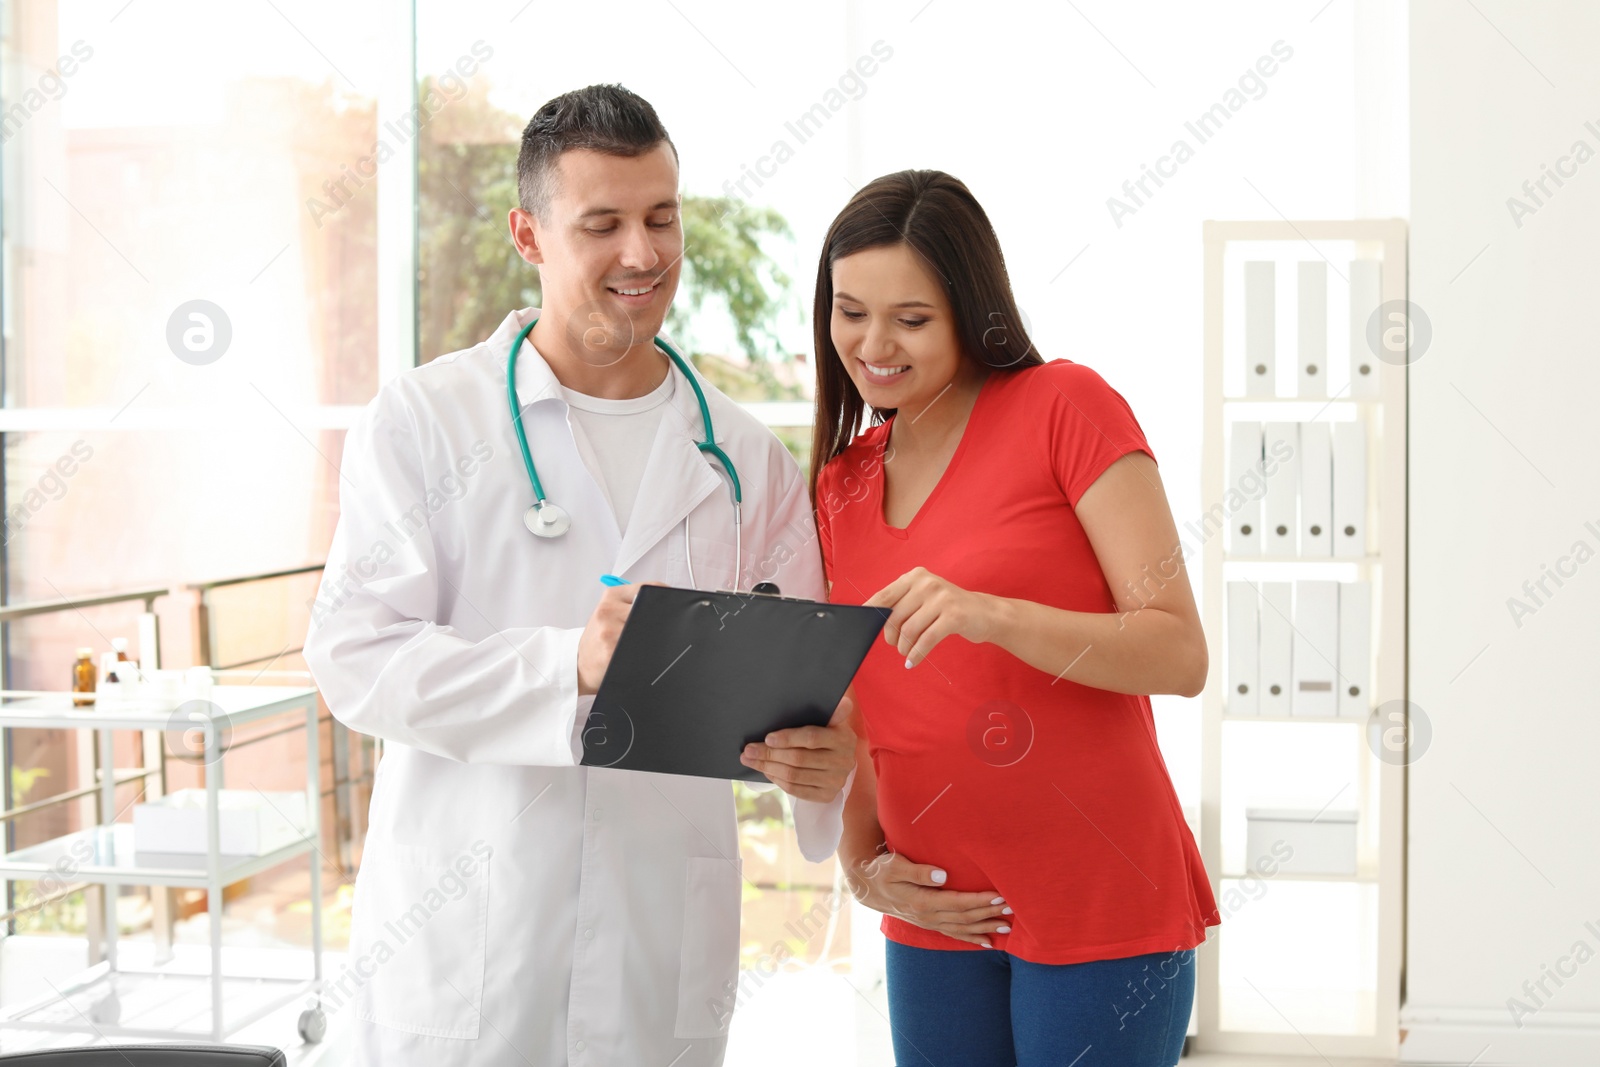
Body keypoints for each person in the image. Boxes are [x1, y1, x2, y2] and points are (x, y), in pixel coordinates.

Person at [303, 84, 855, 1067]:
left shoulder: (743, 456)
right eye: (602, 224)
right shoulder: (427, 421)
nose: (641, 254)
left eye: (661, 218)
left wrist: (821, 760)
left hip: (656, 935)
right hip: (470, 925)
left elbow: (806, 692)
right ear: (529, 234)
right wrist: (569, 662)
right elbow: (354, 657)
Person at [810, 170, 1220, 1067]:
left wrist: (993, 613)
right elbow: (863, 706)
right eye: (850, 311)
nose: (874, 345)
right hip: (936, 906)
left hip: (1098, 896)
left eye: (911, 319)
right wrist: (863, 862)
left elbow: (1179, 651)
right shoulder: (839, 485)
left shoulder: (1064, 409)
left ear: (971, 310)